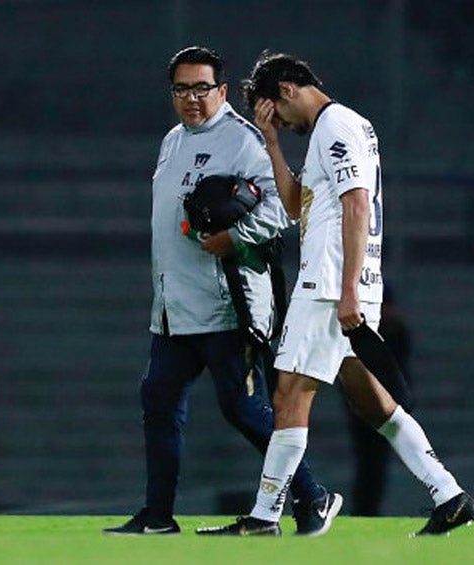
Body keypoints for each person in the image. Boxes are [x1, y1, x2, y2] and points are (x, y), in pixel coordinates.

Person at [197, 51, 474, 537]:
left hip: (329, 286)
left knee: (288, 392)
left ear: (286, 89)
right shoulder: (336, 130)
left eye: (274, 111)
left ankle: (265, 517)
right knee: (373, 404)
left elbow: (356, 205)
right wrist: (270, 141)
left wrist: (347, 290)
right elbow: (292, 206)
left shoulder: (336, 125)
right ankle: (450, 495)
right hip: (343, 284)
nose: (280, 121)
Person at [103, 46, 340, 536]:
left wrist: (234, 236)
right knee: (159, 400)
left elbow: (284, 209)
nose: (192, 98)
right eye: (182, 88)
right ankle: (158, 515)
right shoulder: (172, 140)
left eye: (201, 87)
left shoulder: (242, 140)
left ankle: (310, 497)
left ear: (222, 91)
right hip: (172, 307)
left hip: (225, 303)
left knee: (242, 406)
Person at [343, 285, 412, 516]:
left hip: (387, 404)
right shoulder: (378, 333)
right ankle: (365, 510)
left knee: (376, 465)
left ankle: (368, 510)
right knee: (368, 464)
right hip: (364, 409)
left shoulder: (396, 333)